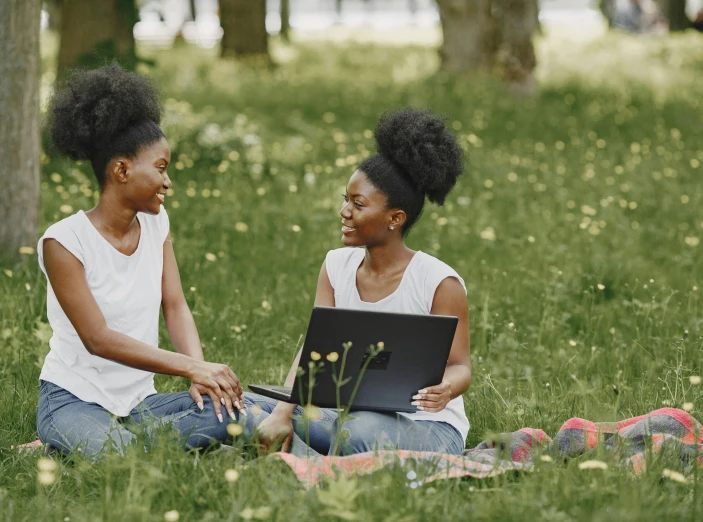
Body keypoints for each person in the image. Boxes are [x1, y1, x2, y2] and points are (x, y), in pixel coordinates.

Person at [36, 65, 256, 458]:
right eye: (160, 168)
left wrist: (201, 375)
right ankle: (65, 437)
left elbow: (174, 304)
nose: (168, 181)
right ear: (121, 170)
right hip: (73, 400)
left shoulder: (156, 225)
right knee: (126, 460)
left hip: (139, 404)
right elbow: (97, 338)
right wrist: (189, 369)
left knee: (249, 409)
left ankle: (78, 445)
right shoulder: (64, 241)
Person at [252, 108, 471, 456]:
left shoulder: (439, 282)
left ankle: (303, 458)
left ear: (394, 219)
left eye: (358, 204)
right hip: (349, 416)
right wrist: (281, 412)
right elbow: (314, 350)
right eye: (345, 199)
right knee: (255, 407)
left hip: (429, 429)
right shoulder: (336, 265)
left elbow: (460, 366)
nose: (344, 212)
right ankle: (307, 454)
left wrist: (445, 388)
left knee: (356, 430)